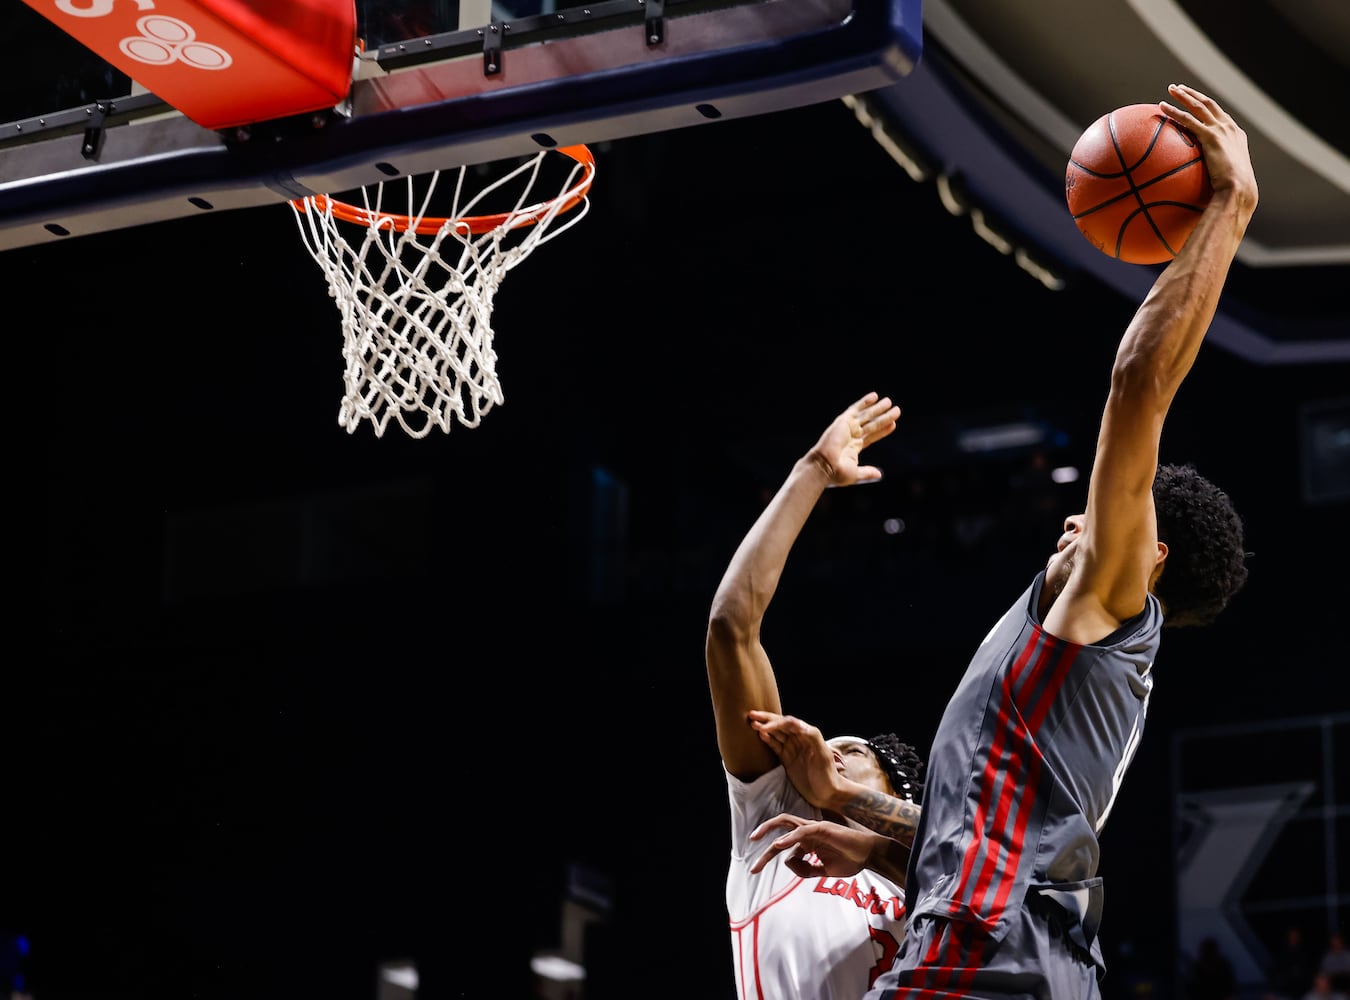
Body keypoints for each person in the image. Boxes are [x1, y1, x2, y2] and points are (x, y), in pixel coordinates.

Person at [749, 83, 1257, 1000]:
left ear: (1149, 556)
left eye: (1104, 517)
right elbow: (990, 835)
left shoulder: (1108, 604)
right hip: (1021, 962)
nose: (1076, 519)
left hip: (982, 960)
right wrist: (855, 812)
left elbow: (1138, 383)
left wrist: (1229, 205)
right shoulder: (1076, 671)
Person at [705, 391, 927, 1000]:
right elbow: (731, 627)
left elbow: (980, 853)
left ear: (894, 793)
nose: (826, 753)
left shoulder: (931, 879)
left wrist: (849, 806)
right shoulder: (775, 833)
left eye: (849, 753)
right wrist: (815, 470)